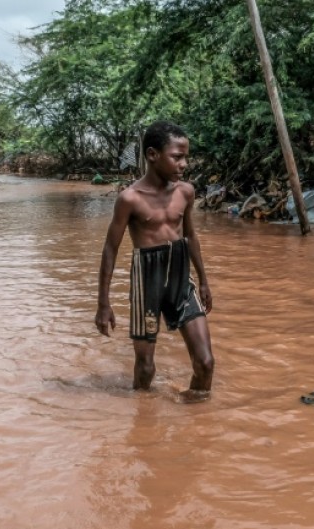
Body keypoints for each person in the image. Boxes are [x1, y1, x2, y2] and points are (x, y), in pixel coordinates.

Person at [95, 121, 215, 397]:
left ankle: (195, 428)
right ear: (152, 155)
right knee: (146, 369)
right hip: (146, 285)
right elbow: (110, 248)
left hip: (181, 281)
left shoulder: (186, 192)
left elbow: (191, 236)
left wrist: (204, 281)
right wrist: (103, 303)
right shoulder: (130, 198)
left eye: (186, 156)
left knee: (205, 363)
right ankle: (143, 423)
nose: (184, 163)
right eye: (177, 156)